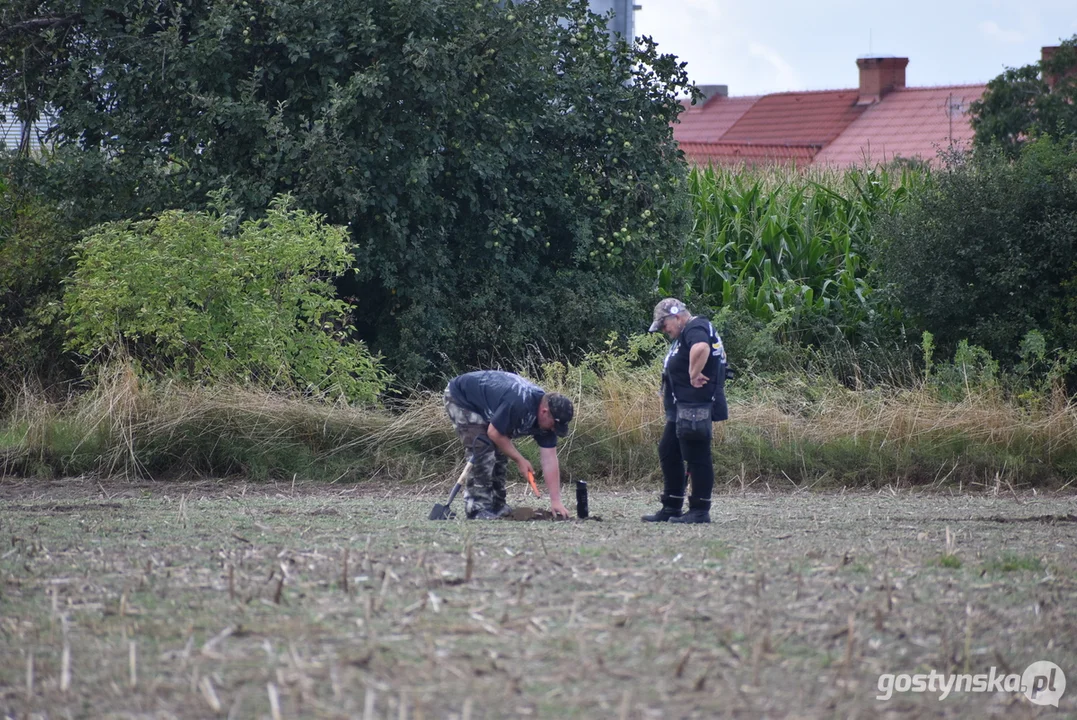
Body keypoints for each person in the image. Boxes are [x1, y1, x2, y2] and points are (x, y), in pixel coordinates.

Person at [444, 370, 575, 519]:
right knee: (483, 448)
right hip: (463, 397)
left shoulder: (548, 422)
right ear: (545, 412)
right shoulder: (520, 402)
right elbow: (494, 433)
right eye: (553, 425)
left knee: (500, 452)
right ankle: (477, 508)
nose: (553, 430)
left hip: (491, 405)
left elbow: (550, 459)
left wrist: (556, 501)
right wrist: (520, 459)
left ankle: (497, 505)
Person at [642, 298, 729, 524]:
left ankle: (700, 510)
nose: (664, 330)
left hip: (695, 404)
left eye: (664, 325)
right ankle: (671, 506)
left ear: (677, 317)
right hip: (682, 406)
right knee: (669, 451)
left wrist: (693, 373)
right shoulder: (686, 332)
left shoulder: (696, 326)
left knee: (696, 454)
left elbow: (702, 347)